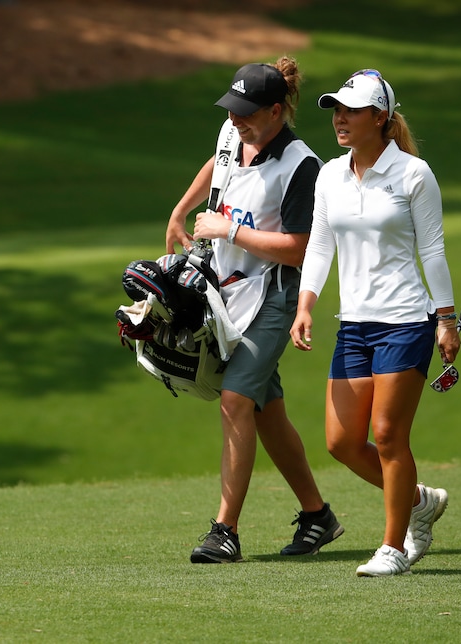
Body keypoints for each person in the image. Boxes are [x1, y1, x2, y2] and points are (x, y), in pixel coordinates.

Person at [165, 57, 342, 563]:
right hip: (226, 290)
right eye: (233, 109)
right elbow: (217, 163)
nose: (236, 119)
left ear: (277, 111)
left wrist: (231, 232)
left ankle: (225, 530)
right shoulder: (233, 132)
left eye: (246, 112)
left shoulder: (301, 165)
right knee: (265, 410)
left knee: (237, 398)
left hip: (274, 293)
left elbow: (301, 248)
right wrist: (181, 209)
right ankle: (317, 516)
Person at [289, 69, 461, 576]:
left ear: (380, 118)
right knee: (341, 442)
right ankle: (419, 501)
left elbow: (432, 249)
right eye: (336, 110)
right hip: (354, 324)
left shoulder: (413, 173)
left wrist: (446, 318)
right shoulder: (329, 175)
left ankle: (394, 547)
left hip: (406, 320)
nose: (339, 119)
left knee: (387, 436)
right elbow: (321, 244)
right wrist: (305, 303)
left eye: (351, 111)